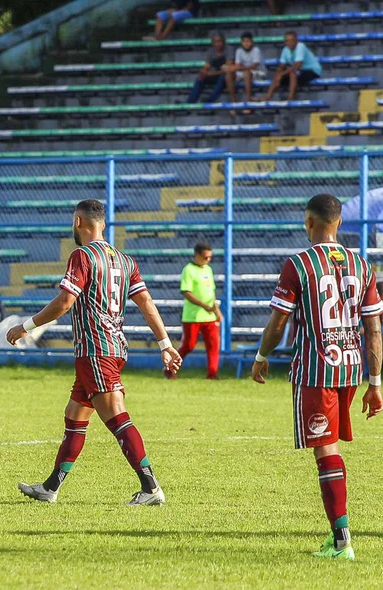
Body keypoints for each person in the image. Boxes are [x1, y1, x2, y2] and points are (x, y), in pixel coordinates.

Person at [7, 200, 181, 506]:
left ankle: (151, 487)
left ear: (78, 221)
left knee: (116, 416)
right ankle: (50, 488)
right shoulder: (125, 261)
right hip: (112, 348)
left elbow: (64, 302)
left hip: (96, 350)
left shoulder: (82, 255)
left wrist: (26, 326)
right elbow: (147, 304)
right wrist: (165, 344)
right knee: (75, 416)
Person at [253, 193, 383, 561]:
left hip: (316, 369)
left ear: (308, 223)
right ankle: (338, 536)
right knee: (331, 447)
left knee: (325, 449)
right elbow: (373, 328)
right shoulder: (362, 265)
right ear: (339, 222)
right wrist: (375, 383)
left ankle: (341, 540)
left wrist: (262, 356)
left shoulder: (299, 264)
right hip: (352, 369)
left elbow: (278, 321)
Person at [172, 242, 222, 380]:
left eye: (210, 258)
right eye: (206, 257)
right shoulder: (188, 270)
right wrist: (203, 306)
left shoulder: (208, 270)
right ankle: (170, 367)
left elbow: (211, 293)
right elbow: (186, 292)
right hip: (192, 316)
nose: (208, 260)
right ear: (197, 255)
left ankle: (212, 374)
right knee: (188, 345)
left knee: (213, 345)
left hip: (209, 316)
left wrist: (217, 311)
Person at [258, 31, 321, 102]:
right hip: (300, 73)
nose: (289, 42)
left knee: (292, 73)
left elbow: (297, 66)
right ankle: (268, 97)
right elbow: (282, 65)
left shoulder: (300, 46)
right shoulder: (285, 50)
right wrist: (278, 74)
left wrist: (282, 74)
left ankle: (290, 98)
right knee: (278, 74)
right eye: (287, 41)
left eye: (292, 40)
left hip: (312, 71)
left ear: (296, 40)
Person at [187, 32, 229, 104]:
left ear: (223, 42)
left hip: (227, 76)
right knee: (200, 78)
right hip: (215, 75)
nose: (217, 44)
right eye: (215, 42)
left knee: (223, 77)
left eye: (219, 41)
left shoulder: (229, 50)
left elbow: (228, 69)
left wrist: (211, 73)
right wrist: (203, 72)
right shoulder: (211, 51)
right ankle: (190, 102)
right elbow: (207, 66)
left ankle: (211, 99)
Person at [226, 32, 267, 104]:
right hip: (244, 72)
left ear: (252, 42)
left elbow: (254, 66)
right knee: (229, 75)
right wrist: (235, 68)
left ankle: (249, 100)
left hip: (259, 73)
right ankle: (233, 101)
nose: (246, 44)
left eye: (248, 41)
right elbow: (237, 65)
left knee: (247, 73)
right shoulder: (239, 50)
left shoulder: (256, 50)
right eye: (244, 41)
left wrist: (238, 67)